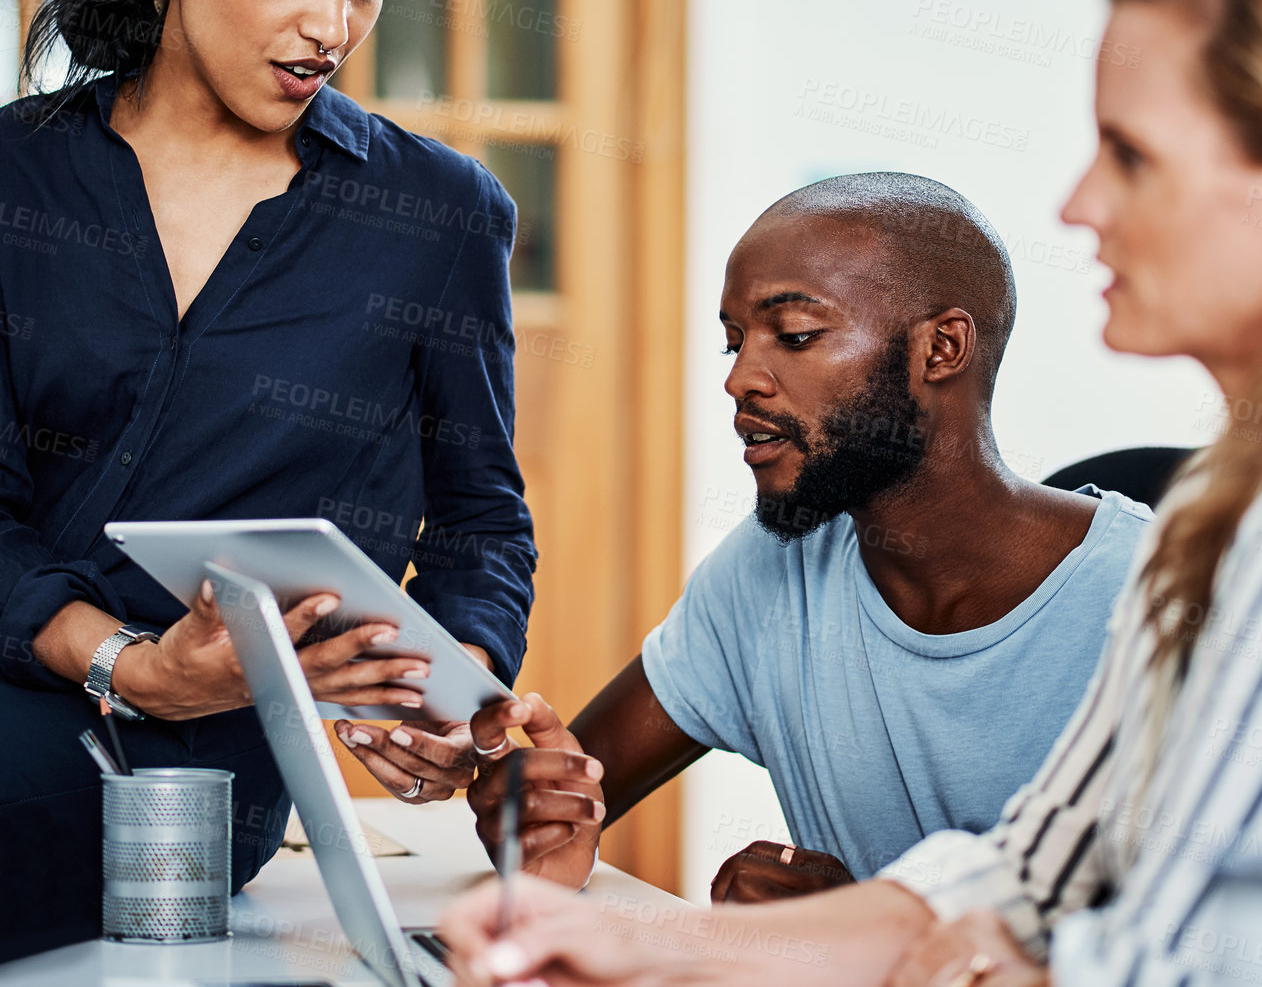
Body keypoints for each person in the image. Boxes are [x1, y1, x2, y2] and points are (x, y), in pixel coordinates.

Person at [439, 0, 1262, 986]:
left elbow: (1181, 961)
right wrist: (635, 941)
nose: (1075, 205)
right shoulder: (1224, 526)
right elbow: (1021, 875)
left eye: (1130, 155)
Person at [0, 0, 535, 959]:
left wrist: (457, 698)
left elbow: (479, 525)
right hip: (65, 681)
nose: (329, 28)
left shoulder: (437, 218)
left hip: (195, 775)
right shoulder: (13, 180)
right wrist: (133, 665)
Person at [462, 173, 1152, 901]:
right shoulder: (772, 568)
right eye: (733, 342)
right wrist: (535, 814)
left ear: (941, 348)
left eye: (793, 336)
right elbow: (576, 786)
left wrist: (847, 932)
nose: (739, 381)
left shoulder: (1161, 604)